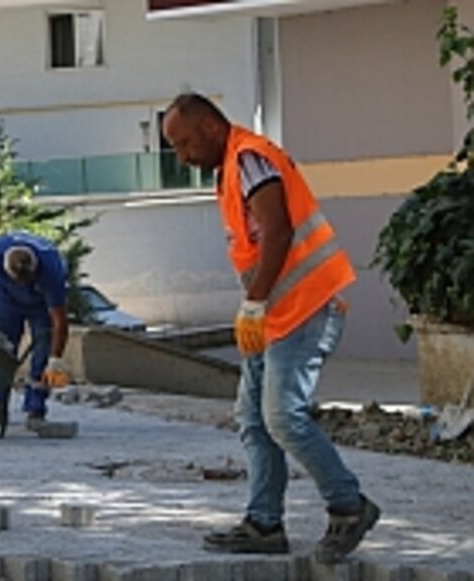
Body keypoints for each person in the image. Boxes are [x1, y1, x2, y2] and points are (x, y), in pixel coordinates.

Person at [161, 93, 379, 563]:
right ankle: (264, 524)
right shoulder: (231, 167)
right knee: (255, 420)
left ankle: (349, 506)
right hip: (278, 315)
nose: (182, 157)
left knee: (282, 417)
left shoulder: (251, 158)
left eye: (183, 144)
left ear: (211, 128)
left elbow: (278, 232)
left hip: (306, 309)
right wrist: (258, 308)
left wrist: (255, 303)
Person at [0, 231, 70, 427]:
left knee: (42, 353)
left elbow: (59, 321)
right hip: (6, 300)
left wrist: (55, 359)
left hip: (41, 305)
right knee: (0, 349)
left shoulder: (52, 270)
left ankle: (35, 409)